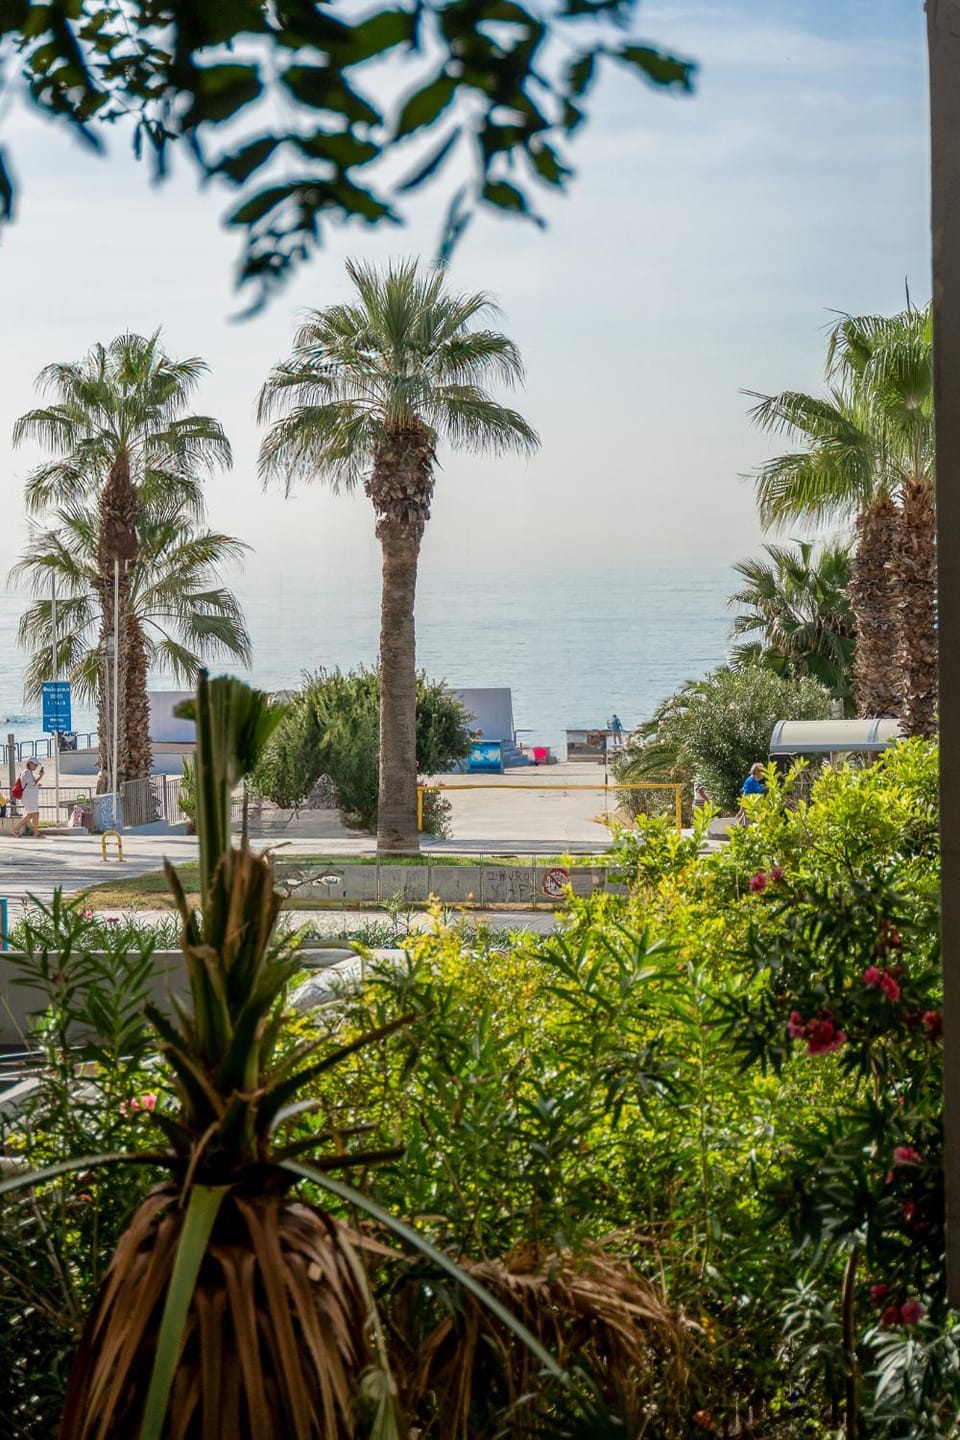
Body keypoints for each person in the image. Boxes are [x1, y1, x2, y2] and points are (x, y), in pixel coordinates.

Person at [13, 759, 45, 837]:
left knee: (30, 815)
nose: (36, 766)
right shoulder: (27, 772)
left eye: (37, 765)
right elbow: (32, 784)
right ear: (30, 763)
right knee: (35, 814)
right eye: (35, 765)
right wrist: (40, 776)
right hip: (28, 798)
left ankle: (15, 830)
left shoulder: (29, 772)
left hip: (29, 797)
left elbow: (31, 784)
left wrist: (37, 784)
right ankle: (36, 833)